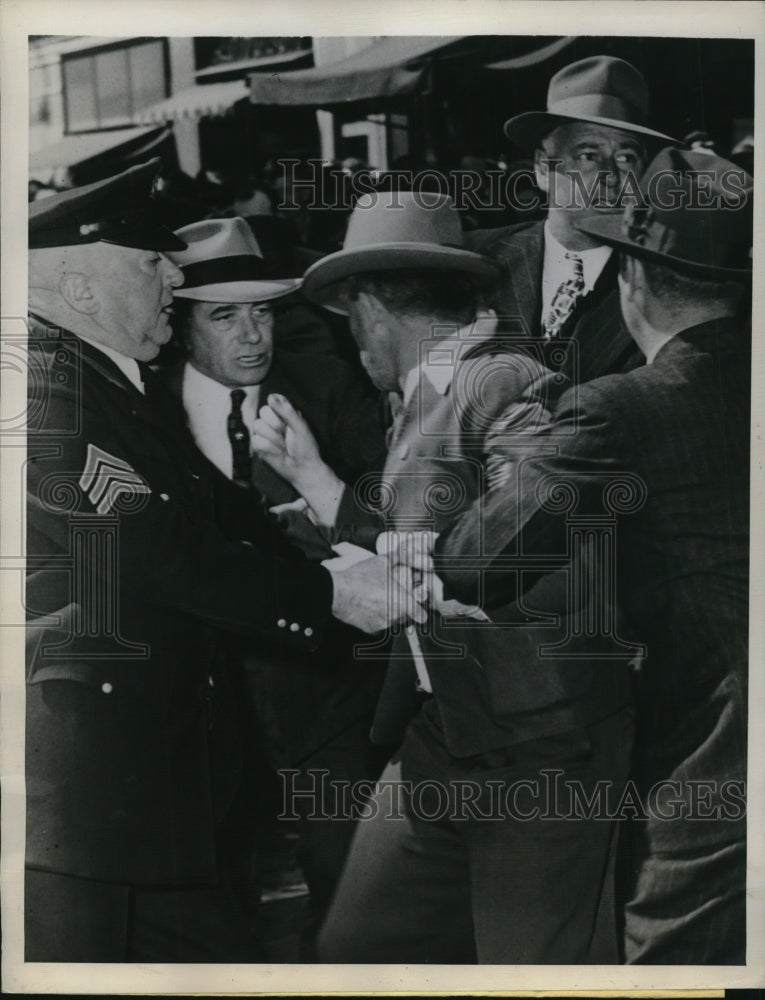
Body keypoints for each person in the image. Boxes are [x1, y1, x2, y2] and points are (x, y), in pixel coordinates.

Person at [24, 159, 424, 963]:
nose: (174, 277)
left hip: (148, 782)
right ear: (77, 286)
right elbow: (156, 550)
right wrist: (327, 594)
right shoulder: (46, 393)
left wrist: (353, 562)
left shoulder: (105, 380)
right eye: (151, 262)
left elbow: (214, 511)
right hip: (99, 797)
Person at [252, 191, 637, 964]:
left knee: (534, 971)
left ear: (373, 308)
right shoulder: (422, 392)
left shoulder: (501, 379)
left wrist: (431, 573)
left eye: (350, 318)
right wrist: (325, 494)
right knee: (358, 950)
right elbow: (423, 528)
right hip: (440, 727)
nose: (351, 340)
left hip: (537, 741)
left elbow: (548, 526)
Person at [434, 148, 751, 963]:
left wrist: (522, 452)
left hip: (713, 775)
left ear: (633, 284)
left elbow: (475, 563)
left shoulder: (618, 409)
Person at [157, 216, 389, 931]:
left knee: (351, 898)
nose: (253, 335)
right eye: (226, 316)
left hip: (324, 690)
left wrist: (323, 501)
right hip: (200, 699)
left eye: (262, 311)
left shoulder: (325, 388)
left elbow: (395, 501)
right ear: (179, 325)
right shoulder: (143, 409)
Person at [471, 55, 676, 384]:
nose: (610, 176)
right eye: (587, 156)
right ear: (542, 168)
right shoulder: (477, 258)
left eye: (626, 157)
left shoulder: (666, 286)